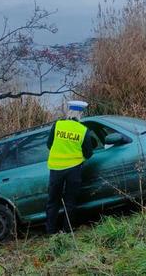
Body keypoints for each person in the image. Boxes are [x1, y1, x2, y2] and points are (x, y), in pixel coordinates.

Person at [45, 100, 93, 234]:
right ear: (80, 114)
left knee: (53, 201)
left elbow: (49, 144)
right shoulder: (83, 130)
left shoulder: (58, 125)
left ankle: (50, 231)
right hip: (74, 169)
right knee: (70, 202)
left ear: (69, 111)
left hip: (55, 168)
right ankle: (68, 231)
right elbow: (88, 153)